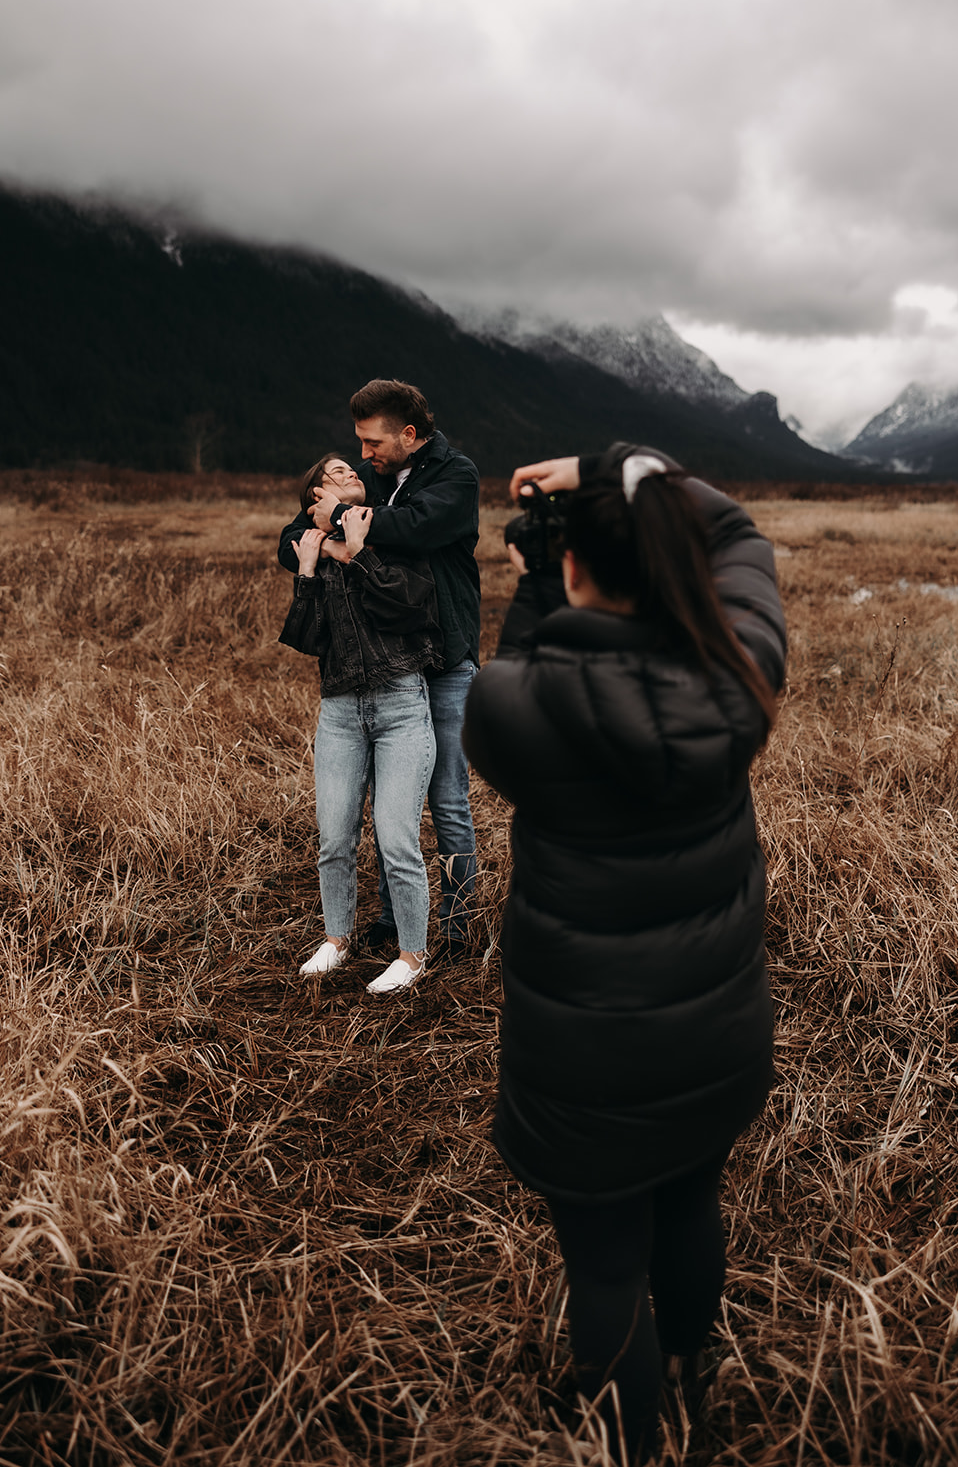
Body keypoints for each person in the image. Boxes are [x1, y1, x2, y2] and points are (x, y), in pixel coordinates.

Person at [462, 443, 786, 1463]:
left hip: (586, 1058)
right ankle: (692, 1377)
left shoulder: (512, 708)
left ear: (568, 570)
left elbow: (518, 675)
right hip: (713, 1031)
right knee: (690, 1201)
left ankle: (630, 1447)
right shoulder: (737, 671)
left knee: (605, 1272)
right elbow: (737, 535)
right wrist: (626, 466)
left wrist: (529, 595)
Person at [289, 379, 481, 957]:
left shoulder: (457, 476)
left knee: (446, 796)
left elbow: (416, 526)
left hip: (444, 658)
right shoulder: (369, 479)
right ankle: (393, 920)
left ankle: (456, 922)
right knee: (386, 805)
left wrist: (343, 516)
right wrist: (326, 540)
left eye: (373, 443)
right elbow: (293, 533)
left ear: (409, 435)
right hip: (389, 661)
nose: (364, 455)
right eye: (360, 446)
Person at [278, 453, 444, 996]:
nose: (350, 475)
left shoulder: (390, 532)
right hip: (341, 710)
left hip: (400, 702)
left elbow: (412, 607)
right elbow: (306, 639)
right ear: (315, 500)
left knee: (397, 840)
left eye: (351, 470)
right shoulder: (310, 548)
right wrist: (310, 565)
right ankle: (338, 938)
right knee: (335, 837)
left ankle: (412, 954)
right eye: (335, 474)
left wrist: (355, 553)